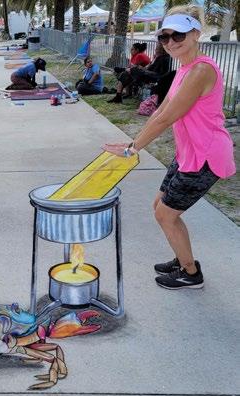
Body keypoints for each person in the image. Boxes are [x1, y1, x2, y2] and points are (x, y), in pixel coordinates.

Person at [103, 6, 236, 290]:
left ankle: (191, 273)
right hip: (189, 152)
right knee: (161, 207)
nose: (171, 42)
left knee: (166, 214)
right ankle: (182, 258)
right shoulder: (183, 69)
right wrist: (132, 142)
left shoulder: (201, 70)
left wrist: (132, 149)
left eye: (179, 35)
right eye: (165, 37)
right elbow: (160, 110)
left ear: (196, 34)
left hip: (207, 155)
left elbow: (167, 118)